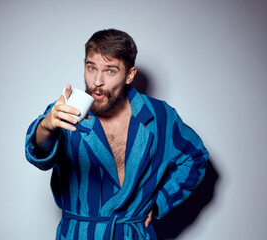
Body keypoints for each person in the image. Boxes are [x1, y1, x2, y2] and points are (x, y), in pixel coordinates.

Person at [25, 29, 209, 240]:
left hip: (134, 234)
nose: (97, 81)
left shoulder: (159, 116)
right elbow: (38, 151)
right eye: (91, 67)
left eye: (110, 71)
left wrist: (160, 203)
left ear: (129, 75)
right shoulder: (66, 111)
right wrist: (47, 126)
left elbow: (195, 157)